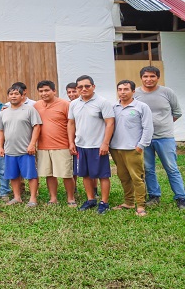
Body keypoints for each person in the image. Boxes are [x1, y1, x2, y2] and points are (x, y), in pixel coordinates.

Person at [135, 66, 185, 209]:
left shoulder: (167, 92)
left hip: (165, 137)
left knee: (171, 168)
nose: (148, 79)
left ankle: (181, 198)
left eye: (152, 76)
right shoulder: (136, 94)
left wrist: (164, 124)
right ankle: (154, 196)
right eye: (145, 76)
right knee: (148, 168)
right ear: (141, 78)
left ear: (158, 77)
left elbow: (177, 113)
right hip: (144, 138)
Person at [68, 75, 115, 214]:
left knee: (102, 175)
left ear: (93, 87)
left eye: (87, 86)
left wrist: (105, 143)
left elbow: (110, 123)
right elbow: (71, 123)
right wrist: (71, 142)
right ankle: (90, 200)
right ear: (77, 89)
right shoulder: (74, 104)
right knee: (85, 174)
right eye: (80, 87)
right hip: (81, 145)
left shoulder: (102, 102)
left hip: (97, 145)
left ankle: (104, 202)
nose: (84, 89)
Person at [110, 80, 153, 217]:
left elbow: (148, 127)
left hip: (133, 149)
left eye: (126, 89)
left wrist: (141, 146)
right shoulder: (113, 107)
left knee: (137, 177)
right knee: (123, 176)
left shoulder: (141, 107)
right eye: (120, 89)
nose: (122, 92)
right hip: (116, 148)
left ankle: (140, 205)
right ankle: (128, 202)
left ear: (133, 91)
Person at [0, 85, 42, 207]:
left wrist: (32, 144)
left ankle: (33, 198)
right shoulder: (4, 112)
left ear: (22, 96)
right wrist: (1, 147)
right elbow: (1, 130)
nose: (13, 96)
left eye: (16, 94)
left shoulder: (29, 109)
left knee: (31, 175)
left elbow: (37, 126)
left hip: (26, 150)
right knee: (13, 175)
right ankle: (17, 197)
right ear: (8, 96)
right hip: (10, 150)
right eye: (11, 94)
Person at [34, 80, 76, 206]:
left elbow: (72, 124)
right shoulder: (36, 106)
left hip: (62, 145)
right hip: (43, 146)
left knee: (66, 174)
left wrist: (71, 142)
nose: (44, 93)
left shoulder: (65, 104)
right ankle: (53, 198)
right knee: (49, 174)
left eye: (46, 90)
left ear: (54, 91)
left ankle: (71, 198)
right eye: (41, 91)